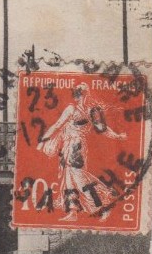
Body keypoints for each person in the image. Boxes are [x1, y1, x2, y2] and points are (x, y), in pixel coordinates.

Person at [37, 83, 126, 222]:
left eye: (84, 93)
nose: (84, 95)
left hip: (77, 147)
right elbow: (58, 124)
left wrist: (117, 136)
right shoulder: (71, 108)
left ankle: (103, 205)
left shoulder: (91, 110)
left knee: (79, 178)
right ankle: (73, 212)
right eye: (82, 93)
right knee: (68, 179)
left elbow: (103, 128)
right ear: (79, 95)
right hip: (68, 146)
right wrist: (43, 140)